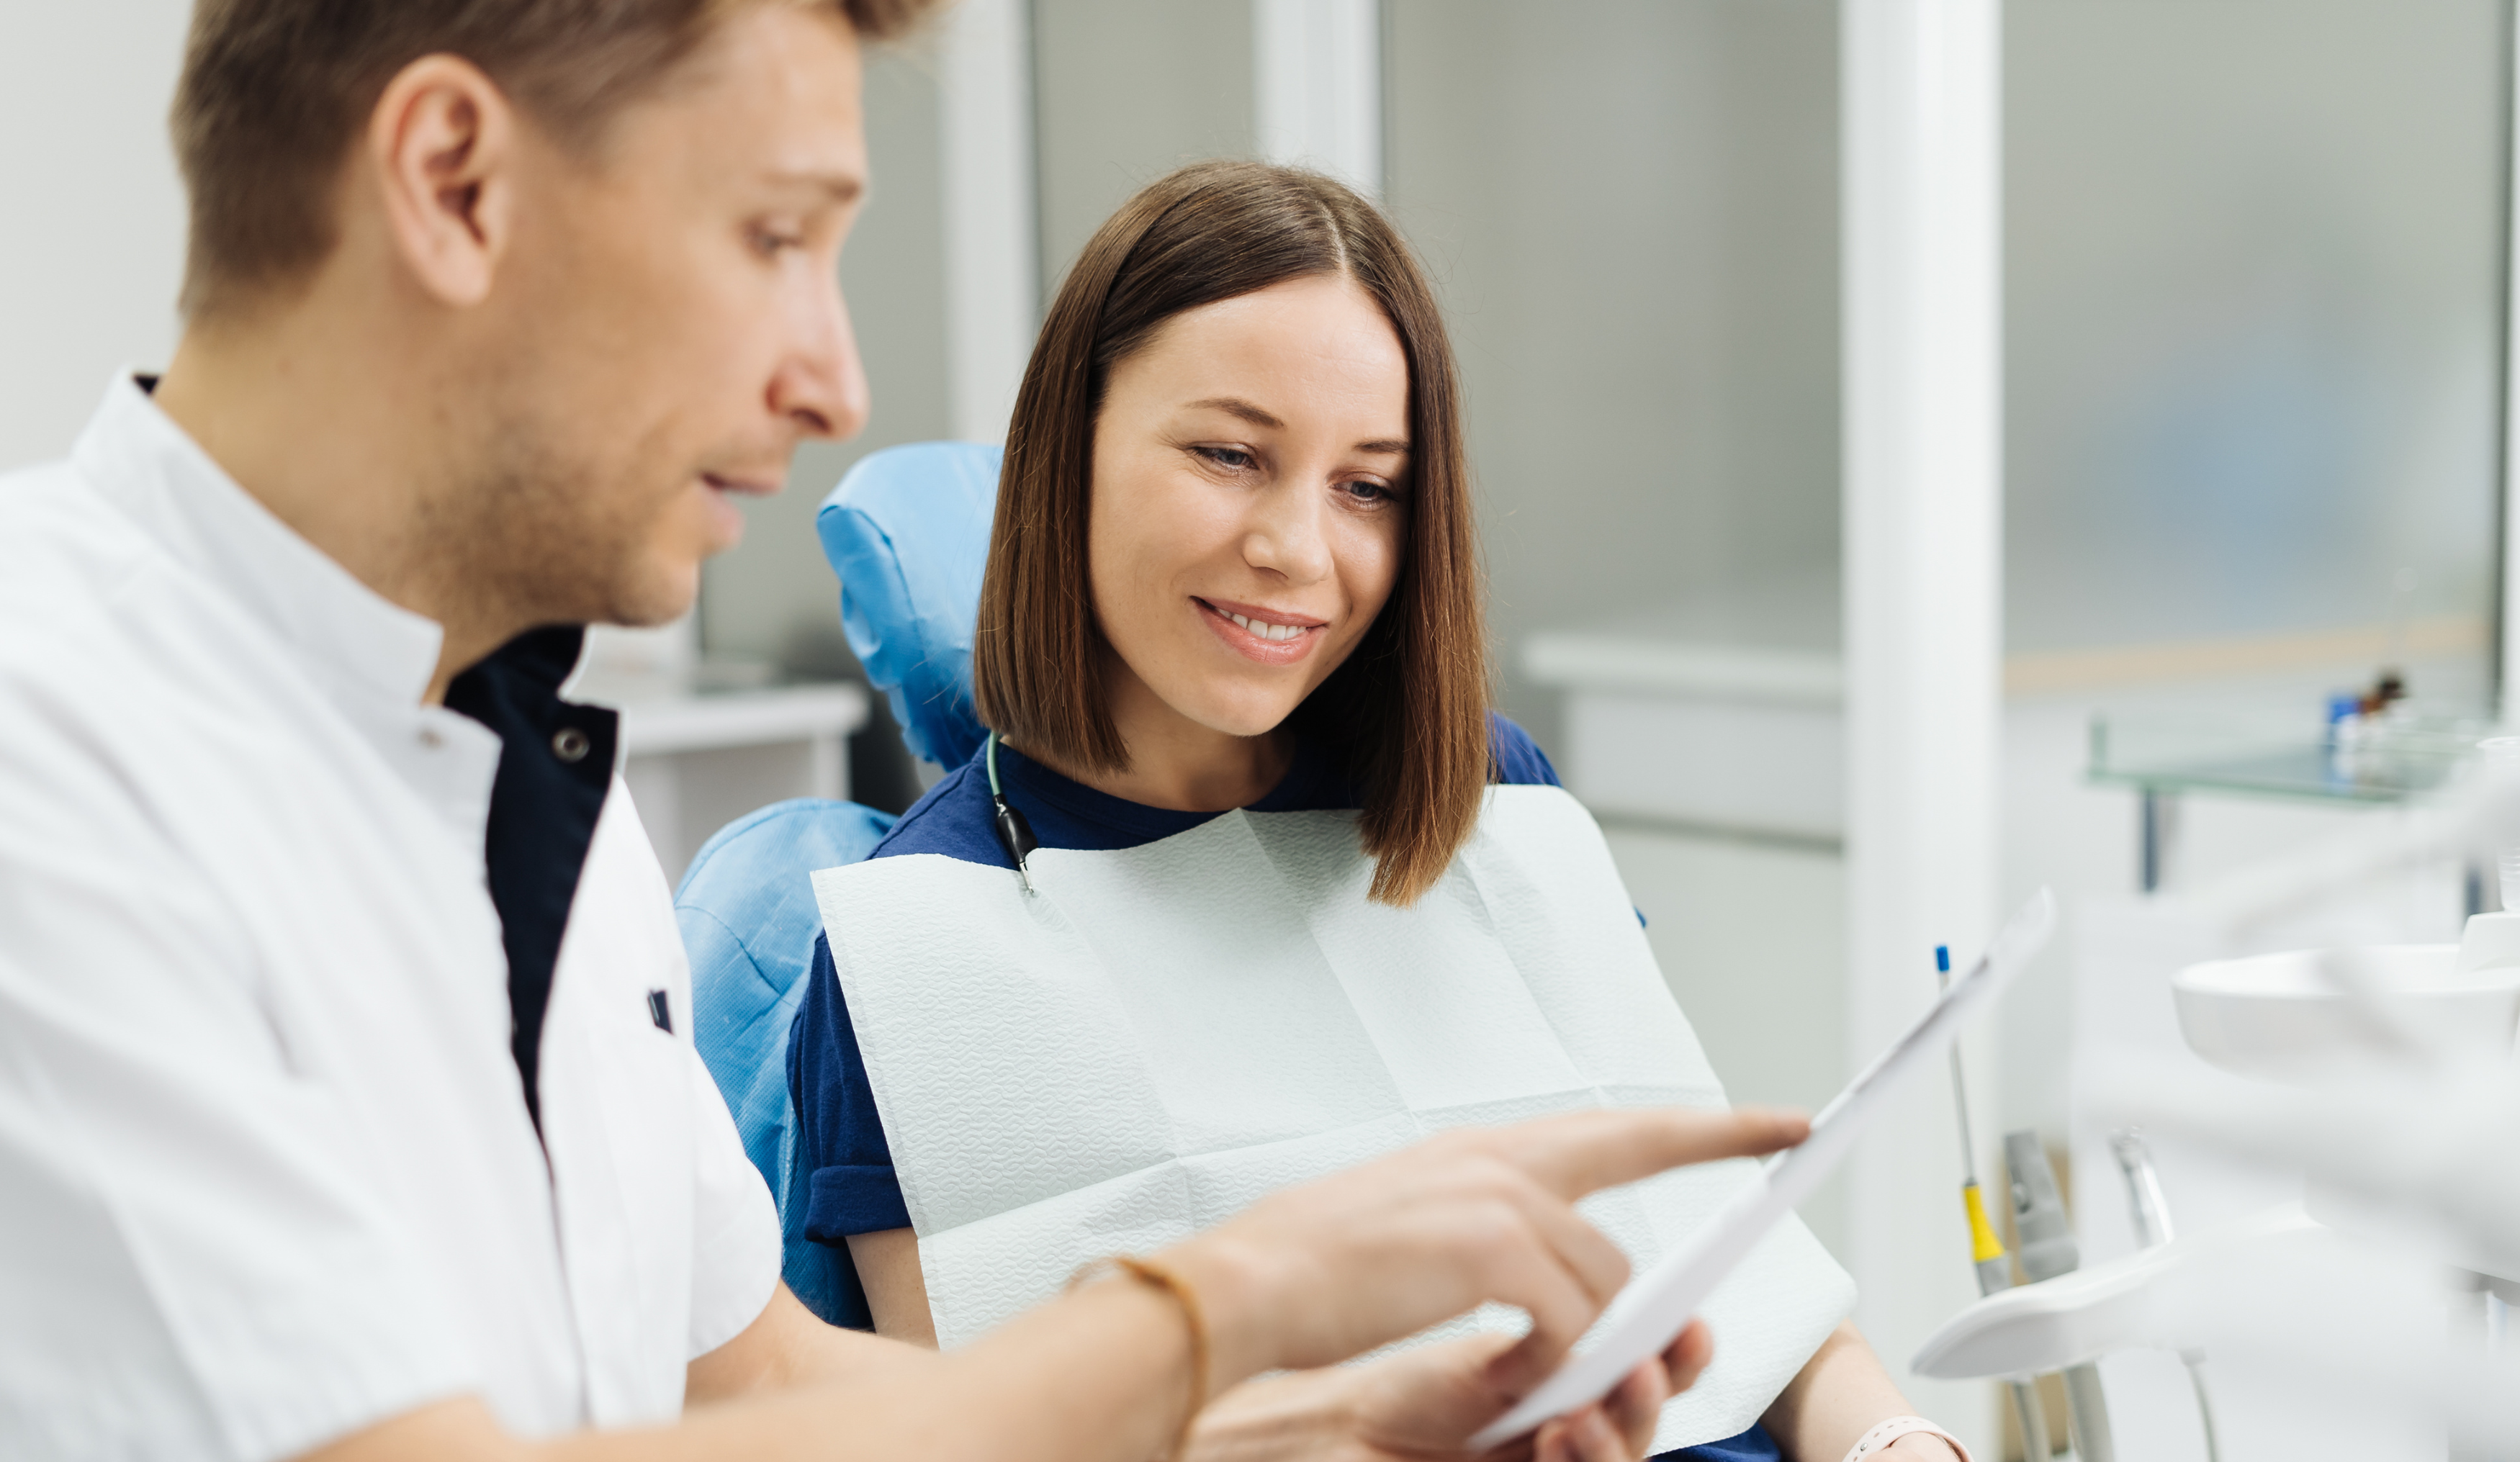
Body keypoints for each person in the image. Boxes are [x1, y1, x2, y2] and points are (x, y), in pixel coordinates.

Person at [0, 3, 1814, 1460]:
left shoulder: (525, 777)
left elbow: (768, 1393)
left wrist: (1316, 1416)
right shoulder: (52, 750)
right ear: (457, 183)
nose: (836, 380)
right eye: (775, 236)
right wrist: (1235, 1298)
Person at [791, 162, 1973, 1462]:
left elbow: (1747, 1290)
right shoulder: (914, 953)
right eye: (1231, 454)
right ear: (1065, 447)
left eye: (1369, 486)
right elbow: (961, 1432)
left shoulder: (1489, 795)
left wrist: (1901, 1443)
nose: (1300, 548)